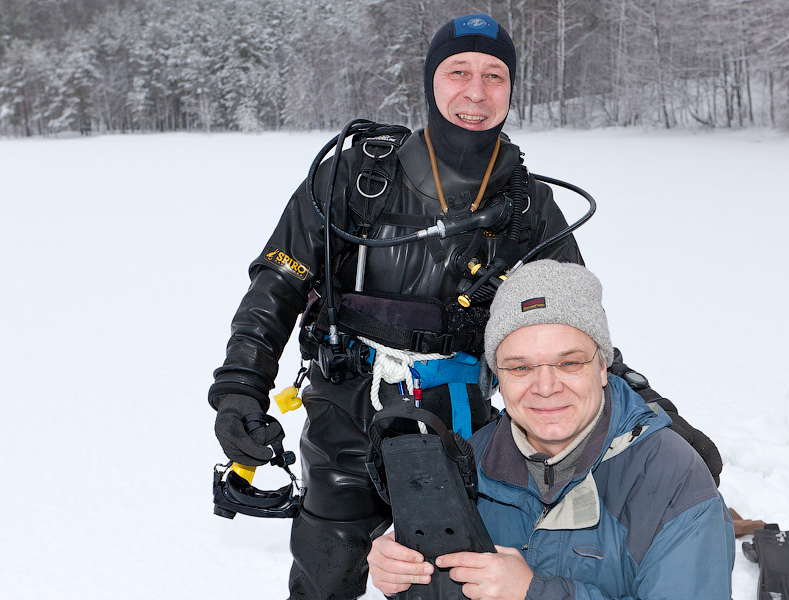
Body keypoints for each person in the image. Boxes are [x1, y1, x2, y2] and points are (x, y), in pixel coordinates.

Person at [210, 13, 721, 600]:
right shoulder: (354, 178)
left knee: (455, 582)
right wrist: (238, 392)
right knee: (328, 572)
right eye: (458, 72)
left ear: (511, 89)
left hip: (464, 428)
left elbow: (571, 331)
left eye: (494, 75)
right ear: (431, 81)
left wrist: (652, 412)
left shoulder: (531, 209)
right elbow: (277, 284)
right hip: (343, 416)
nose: (475, 93)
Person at [369, 260, 735, 599]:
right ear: (497, 377)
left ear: (603, 366)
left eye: (569, 362)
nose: (545, 387)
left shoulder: (672, 478)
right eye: (520, 368)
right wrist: (404, 572)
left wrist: (533, 592)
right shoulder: (471, 462)